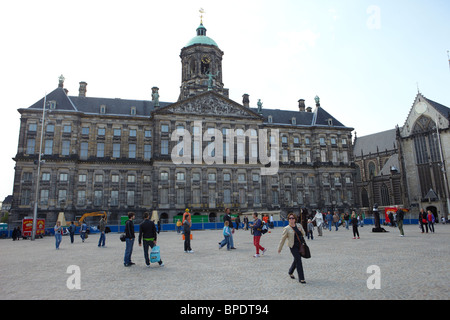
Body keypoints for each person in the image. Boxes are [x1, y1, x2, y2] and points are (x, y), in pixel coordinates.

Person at [277, 213, 307, 284]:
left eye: (292, 218)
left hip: (300, 245)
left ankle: (290, 271)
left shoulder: (299, 225)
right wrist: (279, 248)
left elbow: (303, 234)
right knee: (298, 260)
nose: (291, 219)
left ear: (295, 219)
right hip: (292, 246)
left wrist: (301, 230)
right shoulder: (286, 228)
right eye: (290, 218)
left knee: (296, 260)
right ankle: (301, 278)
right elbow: (283, 239)